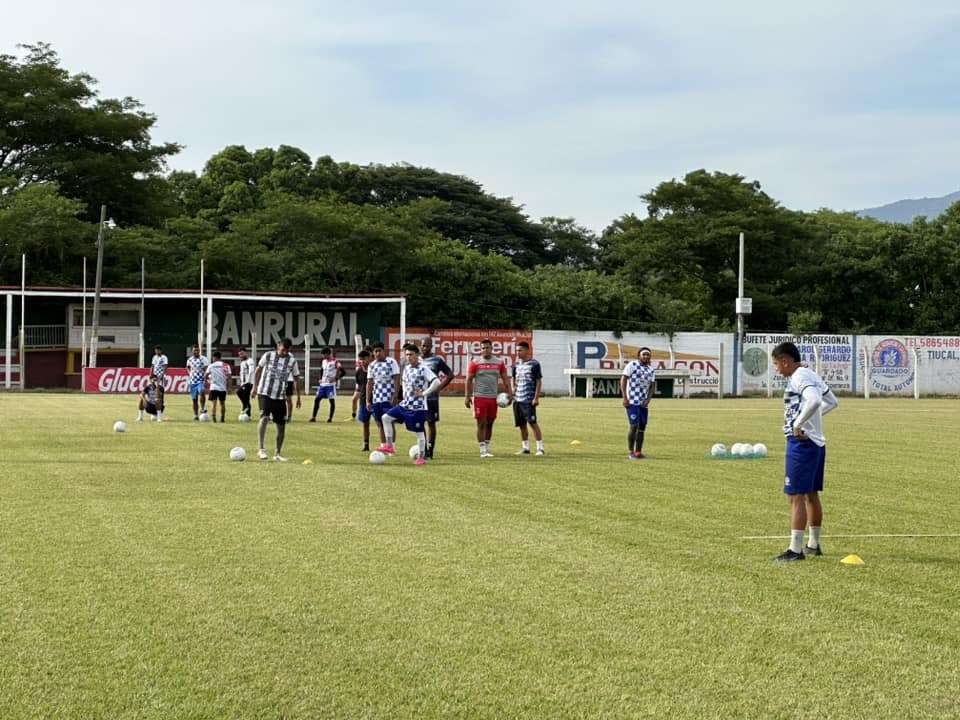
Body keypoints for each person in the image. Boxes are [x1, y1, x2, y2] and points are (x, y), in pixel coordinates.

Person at [772, 341, 839, 562]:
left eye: (776, 364)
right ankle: (813, 544)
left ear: (785, 360)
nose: (776, 369)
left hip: (801, 444)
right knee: (811, 495)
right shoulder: (810, 374)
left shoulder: (799, 377)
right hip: (816, 443)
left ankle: (795, 550)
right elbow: (832, 401)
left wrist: (799, 424)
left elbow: (815, 400)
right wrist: (811, 421)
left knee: (795, 496)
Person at [382, 343, 440, 465]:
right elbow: (406, 386)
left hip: (418, 407)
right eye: (407, 354)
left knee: (419, 433)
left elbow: (436, 382)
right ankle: (389, 446)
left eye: (411, 354)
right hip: (405, 404)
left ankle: (422, 457)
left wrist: (424, 393)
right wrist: (400, 397)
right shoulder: (407, 368)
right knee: (386, 418)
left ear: (417, 355)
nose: (408, 357)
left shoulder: (423, 368)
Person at [253, 337, 301, 461]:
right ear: (278, 346)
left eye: (287, 351)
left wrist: (299, 397)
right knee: (264, 417)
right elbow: (258, 370)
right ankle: (261, 449)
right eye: (283, 350)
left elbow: (296, 378)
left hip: (280, 396)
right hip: (265, 392)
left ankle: (277, 454)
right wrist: (255, 387)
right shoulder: (268, 355)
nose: (285, 353)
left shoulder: (292, 361)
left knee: (281, 425)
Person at [464, 338, 512, 458]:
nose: (485, 350)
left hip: (493, 398)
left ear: (491, 348)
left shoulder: (499, 363)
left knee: (490, 423)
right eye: (483, 348)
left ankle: (487, 447)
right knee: (481, 423)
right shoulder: (475, 362)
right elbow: (468, 380)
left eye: (488, 347)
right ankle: (482, 450)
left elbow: (505, 378)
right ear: (480, 350)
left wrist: (510, 393)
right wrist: (467, 396)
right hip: (480, 397)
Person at [419, 337, 454, 459]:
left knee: (431, 423)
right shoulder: (416, 360)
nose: (425, 348)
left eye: (427, 346)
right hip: (418, 398)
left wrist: (439, 388)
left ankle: (430, 450)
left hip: (431, 398)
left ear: (431, 347)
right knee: (419, 423)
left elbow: (450, 375)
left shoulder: (437, 360)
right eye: (423, 346)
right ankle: (422, 448)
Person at [620, 347, 655, 459]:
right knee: (634, 426)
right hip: (632, 401)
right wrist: (625, 397)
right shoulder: (632, 365)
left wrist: (648, 399)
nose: (645, 356)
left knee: (642, 427)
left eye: (647, 355)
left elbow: (652, 385)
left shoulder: (651, 369)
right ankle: (631, 452)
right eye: (643, 354)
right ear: (639, 355)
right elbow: (623, 379)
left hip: (643, 403)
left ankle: (638, 452)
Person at [366, 341, 401, 453]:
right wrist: (368, 400)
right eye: (375, 351)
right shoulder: (372, 365)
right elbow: (370, 383)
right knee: (379, 423)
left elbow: (396, 379)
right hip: (376, 399)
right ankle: (383, 446)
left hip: (388, 398)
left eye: (379, 351)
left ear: (383, 351)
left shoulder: (391, 362)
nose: (377, 353)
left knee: (389, 421)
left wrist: (395, 395)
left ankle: (392, 447)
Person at [511, 341, 544, 456]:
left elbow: (538, 381)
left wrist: (536, 397)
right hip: (517, 399)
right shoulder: (516, 364)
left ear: (527, 351)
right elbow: (513, 378)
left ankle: (540, 448)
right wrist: (513, 388)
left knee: (532, 422)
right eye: (517, 350)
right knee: (521, 424)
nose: (518, 352)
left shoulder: (534, 364)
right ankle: (525, 448)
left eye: (520, 350)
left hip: (528, 399)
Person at [310, 346, 344, 423]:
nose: (323, 356)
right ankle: (313, 417)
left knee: (331, 401)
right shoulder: (324, 361)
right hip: (323, 385)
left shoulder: (336, 362)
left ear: (328, 354)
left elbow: (343, 372)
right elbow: (321, 370)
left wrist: (335, 379)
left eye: (324, 354)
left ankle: (330, 418)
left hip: (330, 385)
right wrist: (320, 378)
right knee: (317, 400)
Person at [205, 350, 232, 423]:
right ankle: (222, 418)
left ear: (214, 357)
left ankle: (214, 418)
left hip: (214, 387)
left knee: (214, 403)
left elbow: (206, 376)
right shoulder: (226, 365)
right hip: (222, 388)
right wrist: (229, 387)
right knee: (222, 403)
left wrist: (207, 384)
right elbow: (229, 377)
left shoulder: (211, 365)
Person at [354, 348, 372, 451]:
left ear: (369, 359)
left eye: (364, 359)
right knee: (365, 423)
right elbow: (360, 386)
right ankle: (366, 445)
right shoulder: (358, 372)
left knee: (380, 423)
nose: (362, 361)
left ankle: (385, 445)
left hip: (375, 400)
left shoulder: (373, 370)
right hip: (363, 400)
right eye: (360, 359)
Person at [186, 344, 210, 421]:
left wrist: (206, 378)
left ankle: (202, 408)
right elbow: (188, 367)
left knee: (202, 391)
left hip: (201, 380)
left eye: (197, 350)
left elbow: (207, 369)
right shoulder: (190, 360)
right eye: (194, 350)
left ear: (199, 351)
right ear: (192, 351)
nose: (196, 352)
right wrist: (190, 373)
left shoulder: (204, 359)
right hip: (192, 381)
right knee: (194, 399)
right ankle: (195, 415)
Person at [236, 349, 255, 418]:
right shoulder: (242, 362)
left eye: (242, 354)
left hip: (249, 382)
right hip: (244, 383)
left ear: (246, 353)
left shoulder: (250, 360)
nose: (240, 356)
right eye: (239, 354)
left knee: (240, 393)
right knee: (244, 396)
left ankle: (246, 409)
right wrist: (241, 382)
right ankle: (247, 413)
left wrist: (248, 381)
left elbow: (251, 371)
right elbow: (242, 373)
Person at [150, 345, 168, 416]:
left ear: (161, 350)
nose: (157, 351)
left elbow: (165, 367)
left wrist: (162, 375)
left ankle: (160, 411)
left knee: (160, 394)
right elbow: (153, 366)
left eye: (158, 350)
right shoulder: (154, 357)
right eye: (156, 350)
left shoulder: (164, 357)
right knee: (153, 393)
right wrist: (150, 375)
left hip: (160, 377)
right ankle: (154, 411)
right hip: (154, 377)